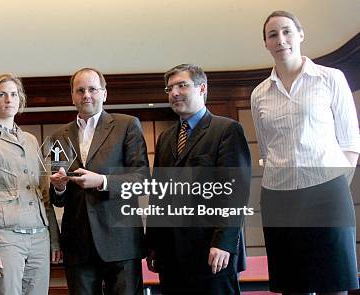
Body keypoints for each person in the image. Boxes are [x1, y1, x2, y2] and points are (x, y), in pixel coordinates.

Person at [251, 10, 360, 295]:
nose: (281, 39)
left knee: (333, 284)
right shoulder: (259, 94)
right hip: (279, 197)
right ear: (266, 43)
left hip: (328, 193)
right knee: (292, 286)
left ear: (300, 34)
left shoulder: (331, 78)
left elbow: (350, 143)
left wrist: (334, 184)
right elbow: (266, 149)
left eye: (287, 31)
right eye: (272, 34)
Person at [145, 64, 250, 294]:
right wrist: (152, 244)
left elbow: (235, 193)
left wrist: (223, 242)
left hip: (211, 252)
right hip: (171, 254)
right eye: (170, 88)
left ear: (202, 88)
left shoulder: (226, 130)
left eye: (182, 85)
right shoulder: (165, 137)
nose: (174, 93)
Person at [49, 67, 149, 295]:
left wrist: (102, 181)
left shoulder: (127, 125)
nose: (86, 95)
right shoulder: (58, 137)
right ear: (72, 96)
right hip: (77, 242)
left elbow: (142, 180)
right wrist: (60, 187)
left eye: (92, 89)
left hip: (121, 239)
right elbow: (57, 198)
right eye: (80, 90)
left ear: (104, 93)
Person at [0, 73, 61, 295]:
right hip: (4, 238)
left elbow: (44, 195)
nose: (9, 99)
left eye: (14, 94)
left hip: (39, 238)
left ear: (21, 100)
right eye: (2, 94)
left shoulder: (31, 140)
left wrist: (54, 238)